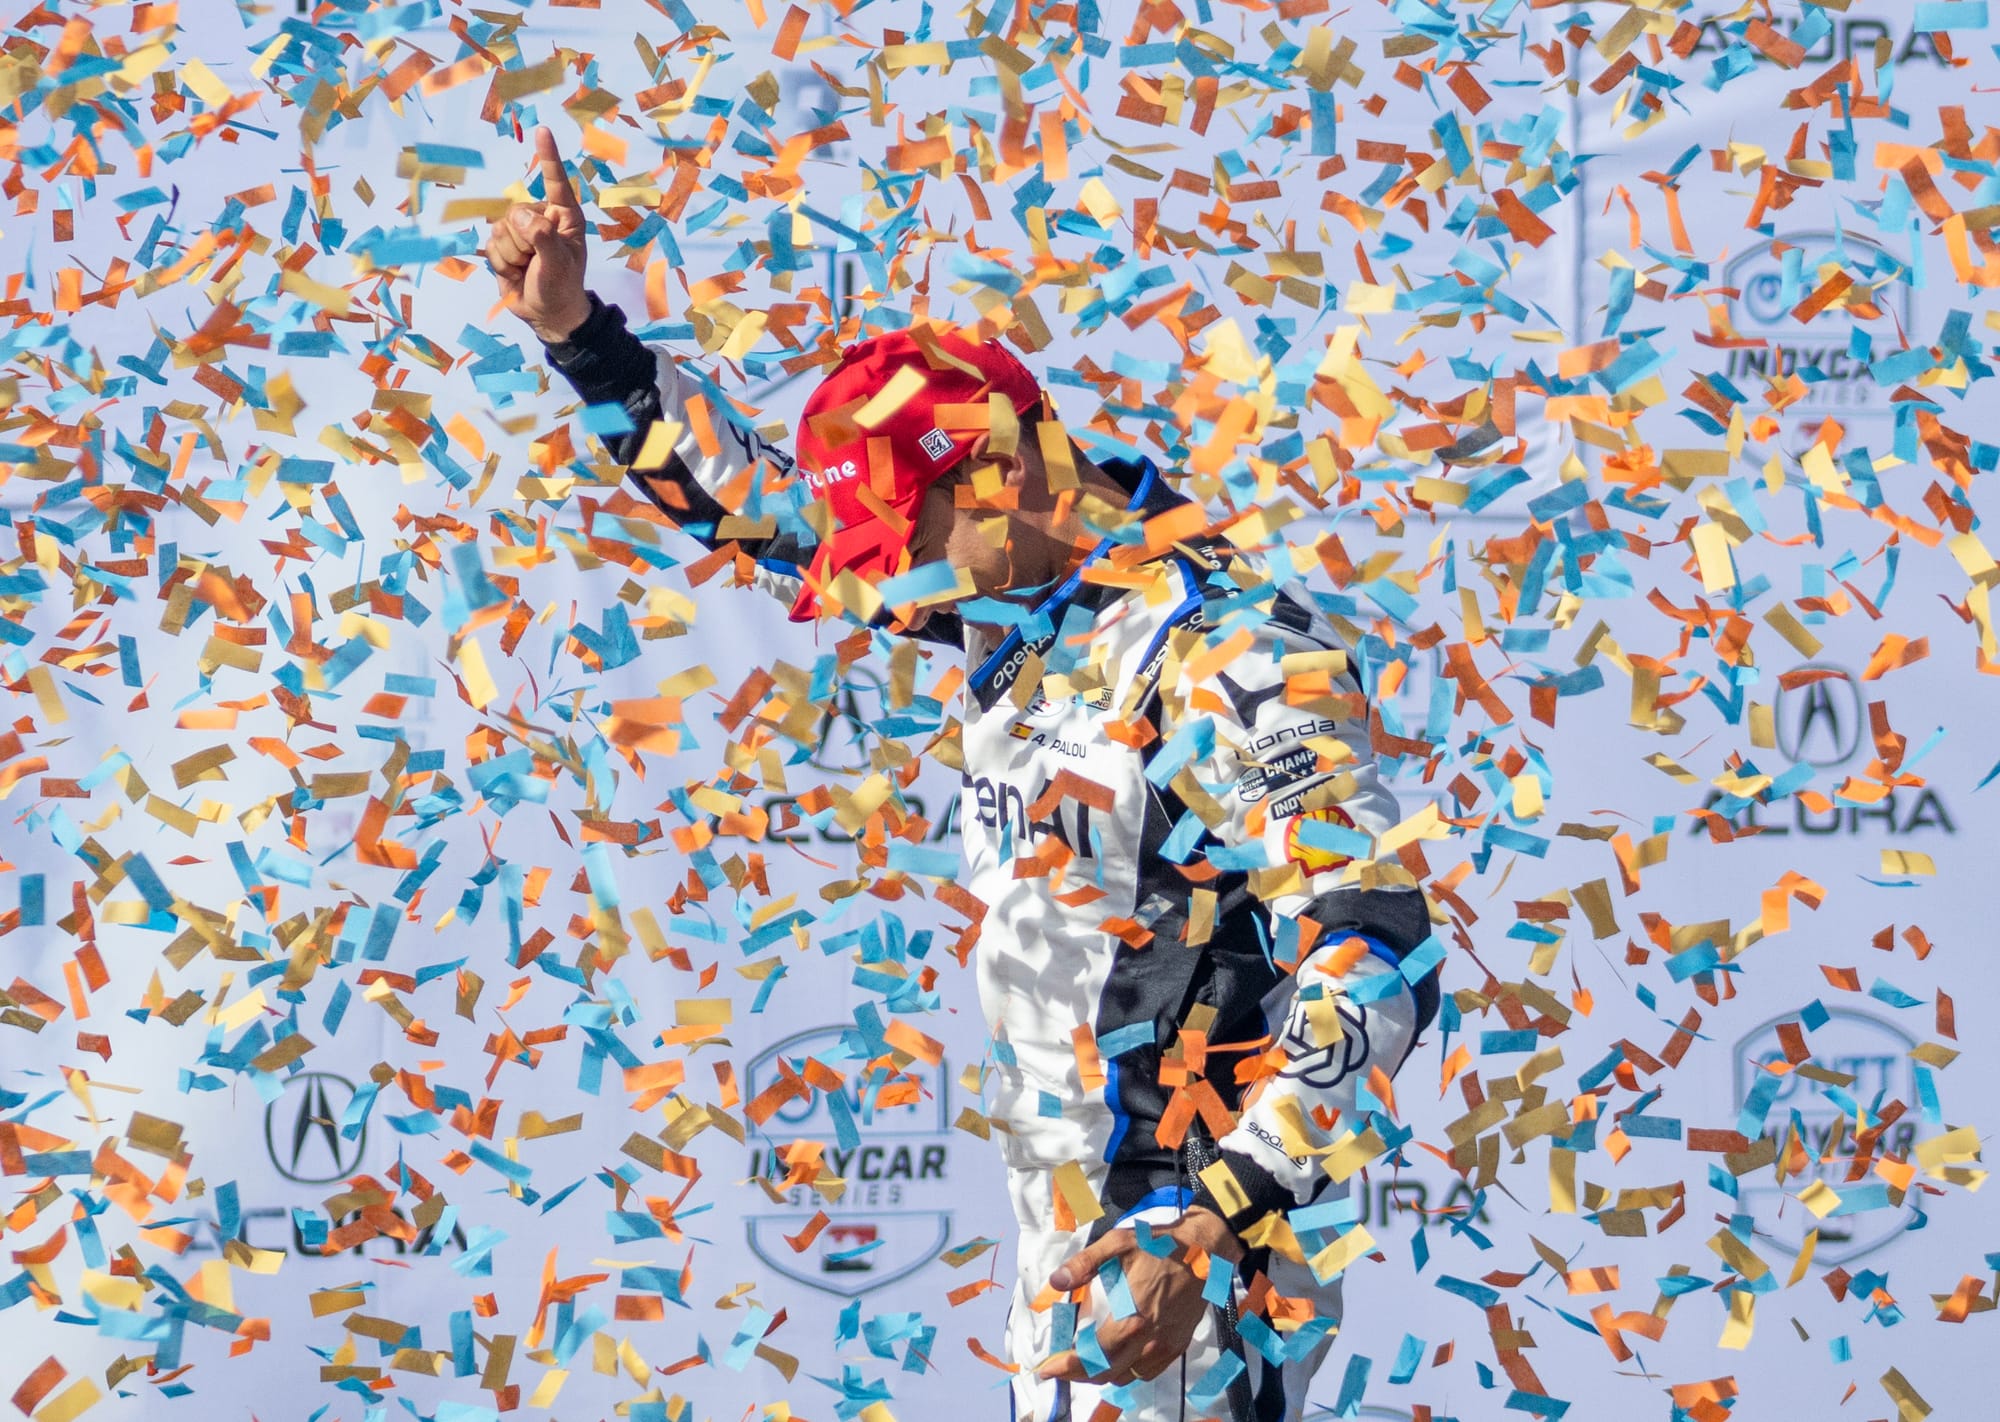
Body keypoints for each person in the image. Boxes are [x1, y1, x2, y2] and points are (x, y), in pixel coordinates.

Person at [486, 127, 1441, 1422]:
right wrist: (583, 337)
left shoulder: (1223, 648)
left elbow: (1376, 951)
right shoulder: (1015, 606)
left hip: (1189, 1252)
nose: (878, 588)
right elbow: (758, 509)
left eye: (899, 545)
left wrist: (1214, 1217)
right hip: (1072, 1231)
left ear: (998, 477)